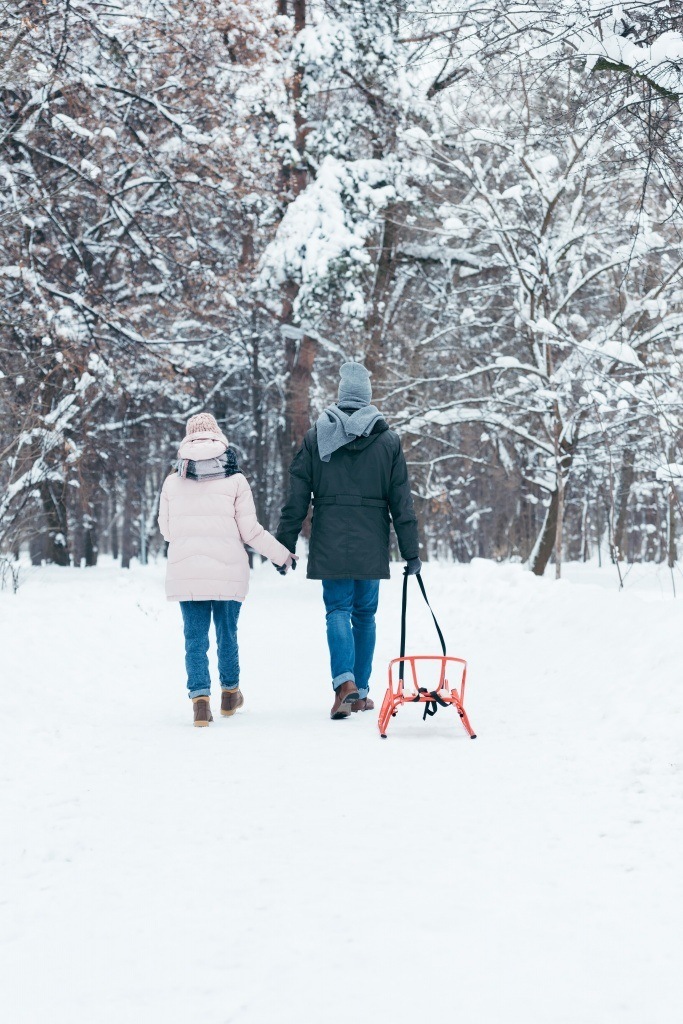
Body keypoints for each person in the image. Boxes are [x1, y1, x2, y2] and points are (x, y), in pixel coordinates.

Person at [276, 362, 421, 720]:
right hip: (372, 536)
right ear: (367, 397)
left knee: (337, 609)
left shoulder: (316, 436)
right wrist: (411, 551)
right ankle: (360, 691)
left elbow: (297, 496)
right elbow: (401, 501)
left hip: (329, 535)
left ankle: (345, 684)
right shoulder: (388, 441)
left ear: (341, 396)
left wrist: (284, 544)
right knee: (365, 615)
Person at [158, 413, 295, 727]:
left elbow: (166, 530)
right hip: (228, 571)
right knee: (226, 634)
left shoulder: (172, 480)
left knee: (194, 638)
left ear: (188, 440)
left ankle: (200, 703)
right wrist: (281, 555)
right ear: (218, 440)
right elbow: (250, 531)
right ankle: (230, 696)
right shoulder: (236, 479)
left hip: (187, 571)